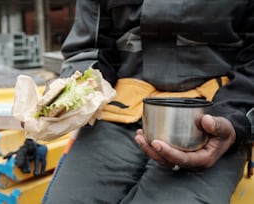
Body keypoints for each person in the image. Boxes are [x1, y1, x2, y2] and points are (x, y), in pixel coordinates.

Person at [43, 0, 254, 203]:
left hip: (215, 115)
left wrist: (236, 118)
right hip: (118, 112)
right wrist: (73, 90)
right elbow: (91, 47)